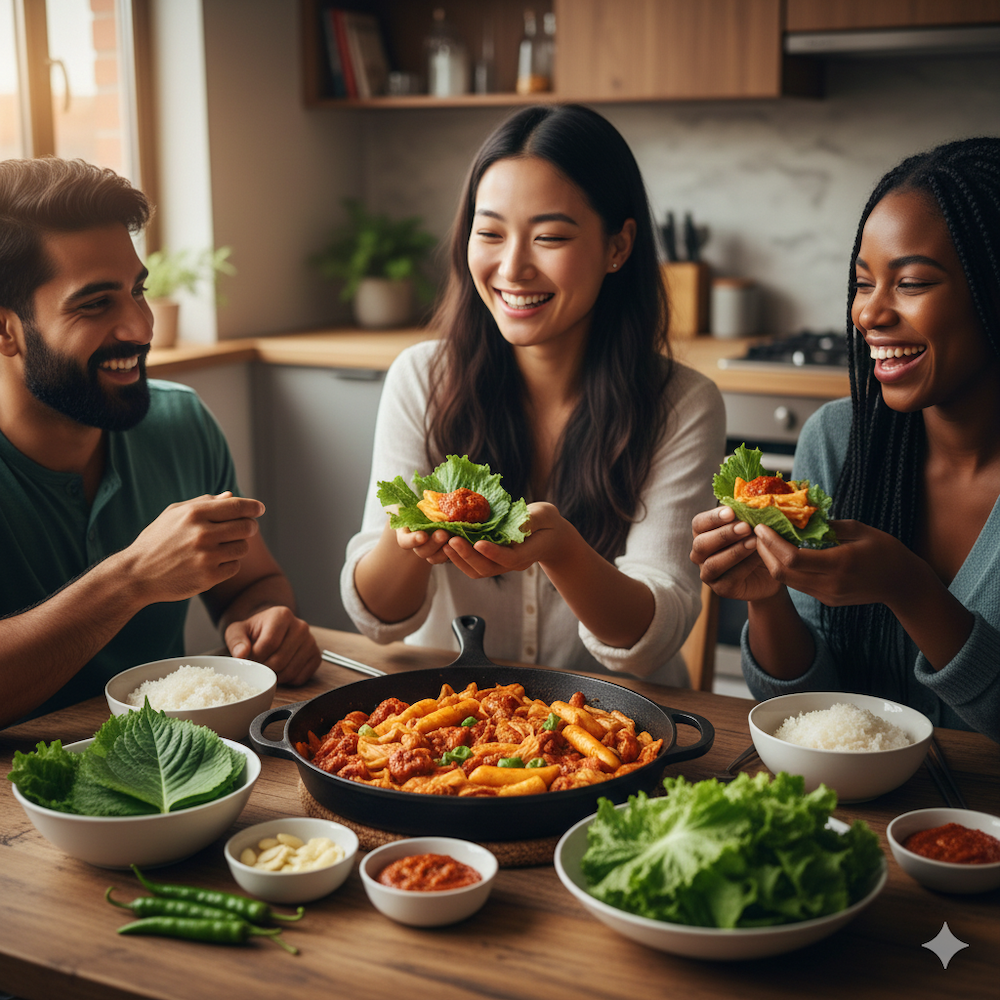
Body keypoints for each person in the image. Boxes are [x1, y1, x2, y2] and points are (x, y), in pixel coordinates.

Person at [341, 104, 725, 686]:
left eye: (549, 237)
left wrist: (563, 550)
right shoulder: (422, 378)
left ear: (618, 247)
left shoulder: (681, 403)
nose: (512, 267)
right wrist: (411, 533)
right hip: (451, 720)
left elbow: (651, 641)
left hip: (615, 730)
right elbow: (378, 622)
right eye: (489, 232)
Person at [690, 137, 1000, 742]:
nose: (868, 315)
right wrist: (766, 598)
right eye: (863, 284)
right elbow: (810, 712)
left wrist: (909, 589)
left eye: (909, 284)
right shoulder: (838, 441)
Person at [0, 157, 320, 728]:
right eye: (96, 303)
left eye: (138, 291)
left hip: (170, 769)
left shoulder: (180, 421)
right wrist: (133, 578)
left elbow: (253, 582)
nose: (140, 328)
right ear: (6, 329)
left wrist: (264, 620)